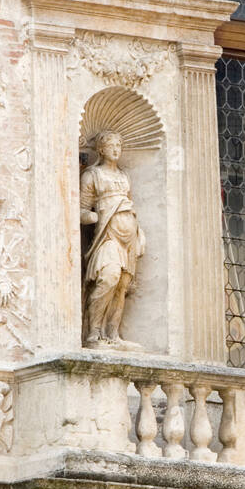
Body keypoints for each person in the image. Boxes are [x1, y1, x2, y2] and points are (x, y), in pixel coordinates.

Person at [79, 130, 146, 347]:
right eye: (111, 145)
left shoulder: (124, 176)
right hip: (107, 234)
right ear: (101, 149)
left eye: (119, 145)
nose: (116, 150)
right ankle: (93, 331)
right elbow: (80, 210)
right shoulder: (92, 175)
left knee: (122, 285)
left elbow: (130, 203)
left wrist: (139, 233)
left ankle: (113, 333)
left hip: (129, 234)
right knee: (109, 277)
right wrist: (98, 216)